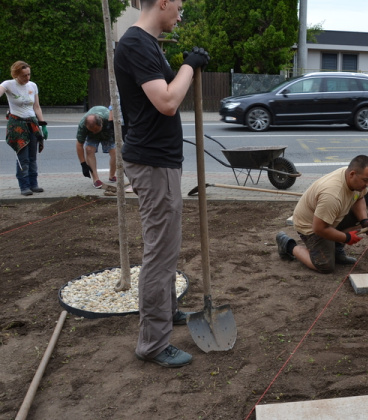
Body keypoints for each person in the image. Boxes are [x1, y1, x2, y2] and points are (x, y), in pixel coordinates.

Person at [114, 0, 209, 368]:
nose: (180, 16)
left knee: (166, 246)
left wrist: (186, 65)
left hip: (160, 161)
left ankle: (167, 310)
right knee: (160, 252)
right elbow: (167, 101)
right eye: (179, 7)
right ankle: (152, 344)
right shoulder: (136, 43)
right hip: (152, 162)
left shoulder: (148, 43)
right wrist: (188, 65)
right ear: (163, 2)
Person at [276, 155, 368, 274]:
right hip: (310, 225)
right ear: (352, 174)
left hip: (329, 217)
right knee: (324, 265)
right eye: (365, 180)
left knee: (363, 216)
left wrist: (364, 220)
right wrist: (347, 238)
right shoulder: (332, 195)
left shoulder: (356, 180)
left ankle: (336, 250)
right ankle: (288, 245)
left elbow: (359, 198)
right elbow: (319, 228)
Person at [1, 61, 48, 196]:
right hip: (17, 125)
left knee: (33, 156)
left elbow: (37, 107)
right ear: (16, 74)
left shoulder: (32, 86)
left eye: (29, 74)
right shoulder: (8, 84)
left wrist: (42, 124)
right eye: (24, 76)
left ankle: (34, 184)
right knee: (23, 157)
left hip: (32, 123)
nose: (27, 78)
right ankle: (24, 186)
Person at [75, 106, 117, 189]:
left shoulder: (109, 119)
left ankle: (112, 175)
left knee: (115, 152)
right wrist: (83, 164)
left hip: (107, 131)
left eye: (96, 130)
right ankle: (95, 179)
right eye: (92, 130)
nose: (94, 132)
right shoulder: (83, 124)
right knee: (89, 149)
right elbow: (79, 144)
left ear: (101, 123)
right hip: (91, 136)